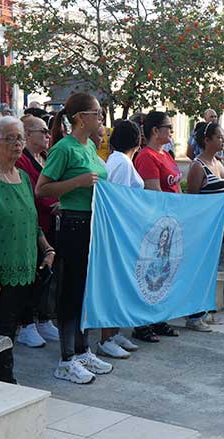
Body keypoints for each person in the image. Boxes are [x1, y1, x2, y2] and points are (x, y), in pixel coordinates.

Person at [0, 116, 56, 383]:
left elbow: (32, 223)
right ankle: (4, 380)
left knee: (12, 327)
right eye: (10, 138)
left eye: (19, 137)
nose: (17, 143)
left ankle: (4, 378)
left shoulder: (24, 179)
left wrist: (47, 248)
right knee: (2, 329)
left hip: (24, 264)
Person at [36, 92, 114, 384]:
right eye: (97, 112)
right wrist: (76, 183)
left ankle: (83, 351)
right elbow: (42, 189)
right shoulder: (63, 149)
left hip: (93, 226)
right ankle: (66, 359)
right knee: (70, 292)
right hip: (73, 226)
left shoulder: (91, 147)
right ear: (81, 118)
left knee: (86, 291)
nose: (101, 117)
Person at [133, 110, 183, 341]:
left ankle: (159, 318)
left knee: (165, 273)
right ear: (155, 130)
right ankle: (143, 323)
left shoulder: (167, 156)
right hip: (156, 225)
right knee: (150, 274)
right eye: (168, 127)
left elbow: (176, 188)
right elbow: (154, 193)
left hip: (171, 223)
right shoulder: (146, 157)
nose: (171, 131)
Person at [97, 119, 144, 358]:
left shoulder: (119, 160)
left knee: (118, 286)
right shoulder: (123, 163)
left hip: (120, 232)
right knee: (113, 286)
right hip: (118, 234)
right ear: (138, 140)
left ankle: (113, 333)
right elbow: (120, 201)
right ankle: (106, 338)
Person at [185, 120, 224, 331]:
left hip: (218, 226)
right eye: (219, 137)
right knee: (198, 270)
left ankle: (205, 310)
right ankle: (194, 316)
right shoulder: (198, 167)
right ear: (206, 140)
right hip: (201, 229)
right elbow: (192, 200)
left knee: (209, 271)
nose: (222, 140)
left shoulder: (218, 162)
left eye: (223, 137)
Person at [16, 113, 60, 348]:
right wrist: (53, 203)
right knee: (32, 275)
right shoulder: (22, 160)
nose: (47, 134)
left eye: (47, 131)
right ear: (27, 136)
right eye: (42, 131)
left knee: (46, 275)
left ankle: (43, 319)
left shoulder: (45, 157)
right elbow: (33, 190)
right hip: (33, 225)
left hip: (51, 224)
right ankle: (26, 324)